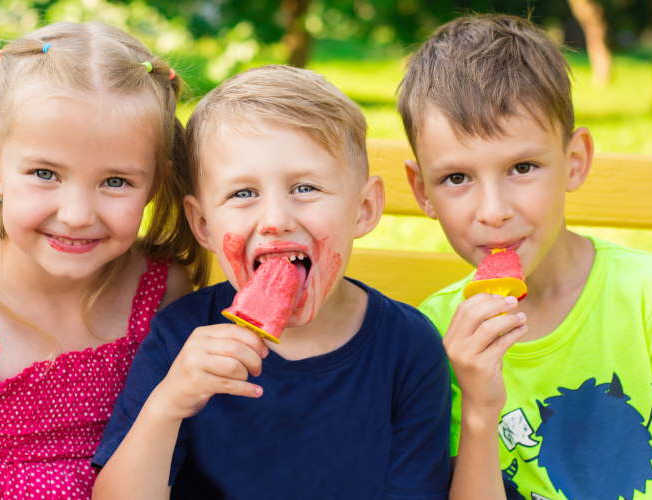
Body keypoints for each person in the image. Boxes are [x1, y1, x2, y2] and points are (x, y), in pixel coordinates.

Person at [397, 14, 652, 500]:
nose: (494, 212)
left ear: (574, 161)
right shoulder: (434, 335)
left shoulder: (651, 296)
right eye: (457, 178)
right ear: (423, 191)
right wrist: (478, 408)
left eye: (522, 167)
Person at [91, 64, 452, 500]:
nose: (276, 220)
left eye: (305, 188)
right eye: (243, 194)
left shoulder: (409, 349)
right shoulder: (181, 338)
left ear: (364, 208)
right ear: (202, 224)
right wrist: (168, 404)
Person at [0, 21, 208, 500]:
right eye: (45, 173)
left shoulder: (164, 292)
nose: (77, 215)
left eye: (116, 181)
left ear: (155, 184)